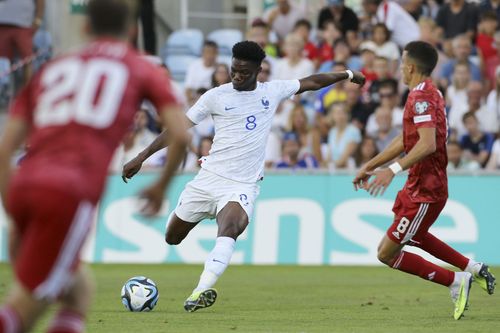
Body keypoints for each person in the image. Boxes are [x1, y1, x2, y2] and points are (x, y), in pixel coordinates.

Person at [122, 40, 365, 312]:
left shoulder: (272, 91)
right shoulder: (215, 96)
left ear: (259, 70)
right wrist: (141, 157)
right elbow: (178, 128)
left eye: (244, 72)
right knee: (172, 237)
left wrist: (348, 74)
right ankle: (195, 259)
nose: (237, 76)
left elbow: (312, 81)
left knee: (231, 228)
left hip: (242, 184)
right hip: (208, 179)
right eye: (234, 70)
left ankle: (199, 291)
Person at [0, 1, 189, 332]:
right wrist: (160, 187)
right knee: (27, 305)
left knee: (77, 290)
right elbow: (180, 134)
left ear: (86, 27)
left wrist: (13, 204)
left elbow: (5, 149)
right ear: (132, 31)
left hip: (24, 182)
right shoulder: (139, 68)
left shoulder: (54, 68)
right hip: (68, 192)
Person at [352, 41, 495, 321]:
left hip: (426, 190)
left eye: (401, 62)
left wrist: (391, 170)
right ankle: (473, 268)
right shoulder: (427, 93)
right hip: (418, 185)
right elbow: (408, 139)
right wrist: (370, 165)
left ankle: (456, 281)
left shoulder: (421, 98)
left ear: (411, 66)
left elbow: (427, 144)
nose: (398, 68)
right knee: (414, 237)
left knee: (386, 254)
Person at [0, 0, 45, 86]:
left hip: (23, 24)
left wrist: (37, 20)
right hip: (2, 23)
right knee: (2, 62)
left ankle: (28, 92)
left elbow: (40, 1)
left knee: (27, 60)